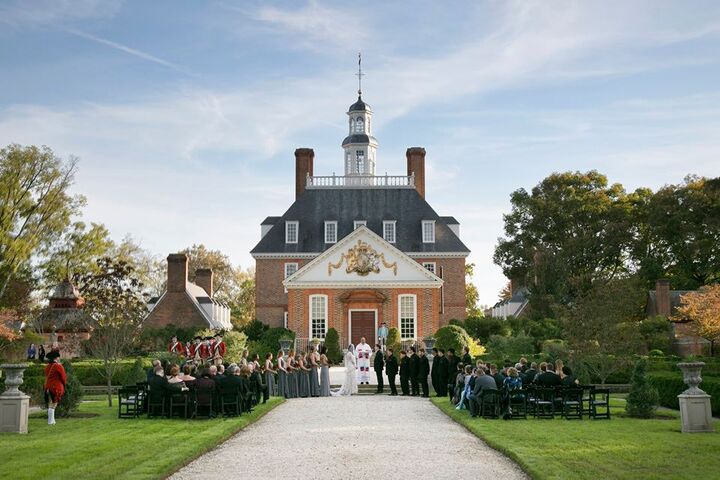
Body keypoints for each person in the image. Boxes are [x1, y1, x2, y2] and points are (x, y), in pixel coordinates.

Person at [44, 351, 66, 425]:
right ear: (56, 358)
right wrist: (64, 384)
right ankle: (50, 421)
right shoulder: (58, 366)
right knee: (54, 404)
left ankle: (52, 420)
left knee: (50, 403)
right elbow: (63, 377)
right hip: (55, 387)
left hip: (48, 386)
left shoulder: (47, 366)